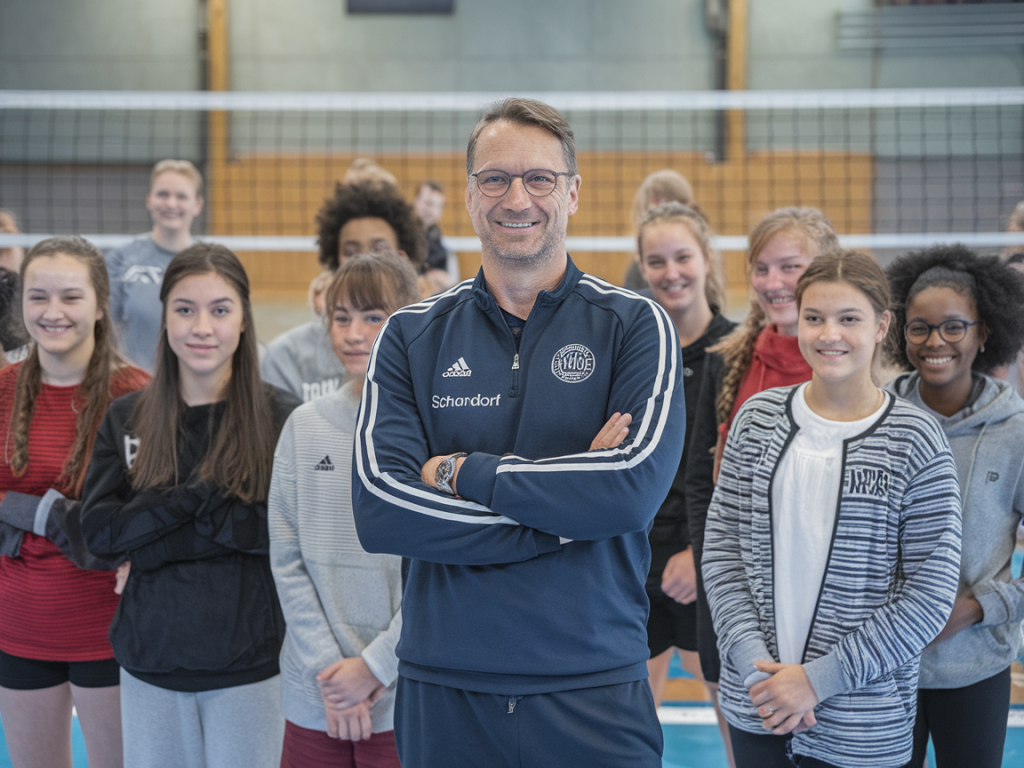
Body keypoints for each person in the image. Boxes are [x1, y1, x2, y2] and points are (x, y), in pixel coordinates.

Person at [351, 97, 686, 768]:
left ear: (573, 194)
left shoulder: (636, 326)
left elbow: (626, 493)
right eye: (495, 178)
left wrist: (457, 472)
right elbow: (381, 511)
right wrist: (563, 518)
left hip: (593, 685)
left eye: (540, 178)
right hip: (447, 685)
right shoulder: (411, 334)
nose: (517, 197)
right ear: (471, 197)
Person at [703, 249, 962, 768]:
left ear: (882, 325)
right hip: (758, 706)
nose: (829, 335)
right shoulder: (757, 420)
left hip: (861, 722)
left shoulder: (915, 439)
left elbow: (929, 595)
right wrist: (763, 676)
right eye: (814, 318)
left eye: (849, 319)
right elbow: (722, 557)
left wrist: (815, 683)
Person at [80, 244, 300, 768]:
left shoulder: (283, 418)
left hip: (250, 665)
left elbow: (271, 532)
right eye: (185, 309)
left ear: (244, 319)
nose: (202, 326)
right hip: (150, 660)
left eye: (220, 309)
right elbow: (100, 536)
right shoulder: (126, 417)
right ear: (164, 317)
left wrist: (152, 540)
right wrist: (205, 497)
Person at [683, 207, 837, 746]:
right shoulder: (729, 360)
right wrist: (714, 576)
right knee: (748, 742)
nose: (774, 284)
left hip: (829, 609)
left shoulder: (857, 364)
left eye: (790, 267)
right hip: (739, 599)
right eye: (762, 268)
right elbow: (703, 484)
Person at [0, 236, 149, 768]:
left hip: (110, 628)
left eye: (70, 297)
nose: (53, 312)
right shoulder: (4, 390)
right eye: (38, 297)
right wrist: (42, 514)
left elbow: (157, 509)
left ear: (101, 305)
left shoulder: (139, 398)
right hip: (20, 623)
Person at [270, 251, 421, 768]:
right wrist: (333, 674)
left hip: (405, 694)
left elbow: (442, 570)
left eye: (373, 317)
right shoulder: (304, 425)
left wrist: (375, 669)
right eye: (342, 318)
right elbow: (286, 557)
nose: (354, 333)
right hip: (318, 693)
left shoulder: (435, 432)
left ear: (406, 321)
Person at [884, 244, 1024, 768]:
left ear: (984, 333)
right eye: (919, 327)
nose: (935, 341)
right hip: (884, 664)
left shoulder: (1014, 434)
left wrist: (975, 608)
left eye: (953, 327)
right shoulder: (877, 421)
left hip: (975, 668)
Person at [635, 202, 735, 712]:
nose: (671, 273)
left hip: (707, 560)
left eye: (682, 257)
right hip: (639, 558)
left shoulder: (736, 350)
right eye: (656, 261)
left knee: (732, 708)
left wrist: (702, 554)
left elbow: (740, 477)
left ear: (707, 258)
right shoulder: (635, 350)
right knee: (631, 718)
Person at [260, 179, 425, 402]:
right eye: (350, 252)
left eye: (379, 249)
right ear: (334, 262)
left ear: (402, 260)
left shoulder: (427, 351)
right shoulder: (287, 356)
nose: (364, 262)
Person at [105, 159, 204, 372]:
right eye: (163, 194)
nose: (171, 203)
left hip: (195, 383)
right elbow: (103, 327)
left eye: (181, 196)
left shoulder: (210, 261)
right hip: (135, 386)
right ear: (149, 200)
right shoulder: (121, 259)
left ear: (197, 205)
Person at [623, 169, 696, 291]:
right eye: (657, 200)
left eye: (683, 258)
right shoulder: (637, 270)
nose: (672, 275)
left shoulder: (700, 260)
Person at [414, 180, 460, 293]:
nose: (431, 210)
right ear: (416, 201)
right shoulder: (404, 233)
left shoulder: (435, 235)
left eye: (438, 206)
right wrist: (426, 277)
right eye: (428, 203)